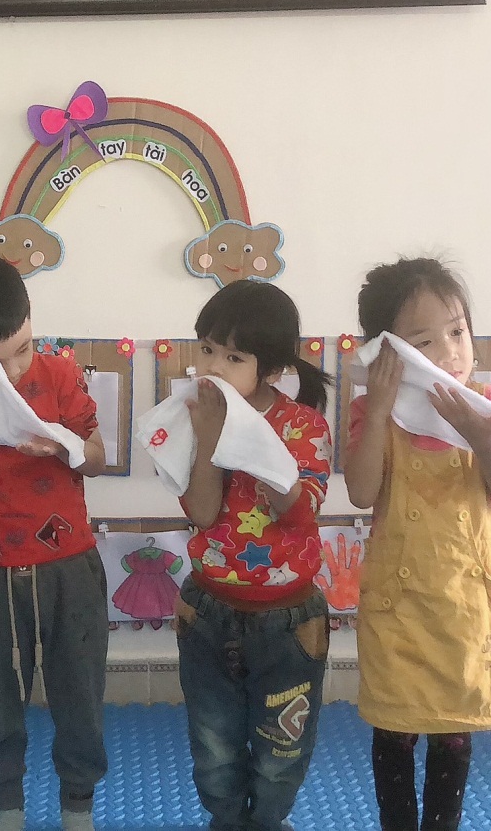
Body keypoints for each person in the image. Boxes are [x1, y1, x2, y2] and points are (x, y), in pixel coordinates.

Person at [345, 257, 491, 831]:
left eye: (457, 331)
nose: (449, 352)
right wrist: (379, 411)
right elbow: (361, 491)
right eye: (424, 340)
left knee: (454, 730)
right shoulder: (372, 412)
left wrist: (484, 440)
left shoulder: (490, 407)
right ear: (389, 352)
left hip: (464, 606)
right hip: (399, 608)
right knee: (394, 728)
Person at [0, 257, 108, 831]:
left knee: (80, 696)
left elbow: (98, 457)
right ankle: (7, 809)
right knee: (0, 700)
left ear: (32, 319)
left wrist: (62, 446)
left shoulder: (60, 374)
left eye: (23, 349)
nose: (12, 369)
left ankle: (78, 807)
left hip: (70, 566)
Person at [169, 280, 333, 831]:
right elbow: (202, 512)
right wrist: (210, 438)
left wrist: (255, 448)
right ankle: (225, 821)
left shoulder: (304, 425)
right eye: (207, 349)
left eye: (233, 357)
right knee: (213, 748)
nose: (213, 366)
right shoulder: (194, 415)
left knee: (282, 750)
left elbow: (300, 513)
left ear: (272, 369)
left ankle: (267, 822)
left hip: (288, 620)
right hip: (208, 609)